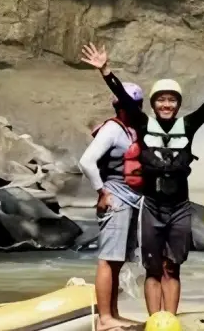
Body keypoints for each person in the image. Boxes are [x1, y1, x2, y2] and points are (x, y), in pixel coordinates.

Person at [93, 50, 204, 318]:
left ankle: (169, 320)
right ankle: (154, 321)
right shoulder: (144, 124)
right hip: (151, 207)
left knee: (172, 267)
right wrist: (106, 71)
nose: (166, 105)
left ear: (178, 104)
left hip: (179, 209)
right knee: (152, 269)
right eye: (161, 100)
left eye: (172, 100)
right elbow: (125, 100)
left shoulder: (188, 124)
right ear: (153, 104)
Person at [77, 81, 145, 330]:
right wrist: (102, 192)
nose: (133, 108)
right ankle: (105, 318)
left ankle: (113, 313)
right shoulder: (113, 130)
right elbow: (86, 161)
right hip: (116, 197)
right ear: (119, 105)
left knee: (117, 260)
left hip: (131, 198)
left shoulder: (132, 129)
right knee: (108, 259)